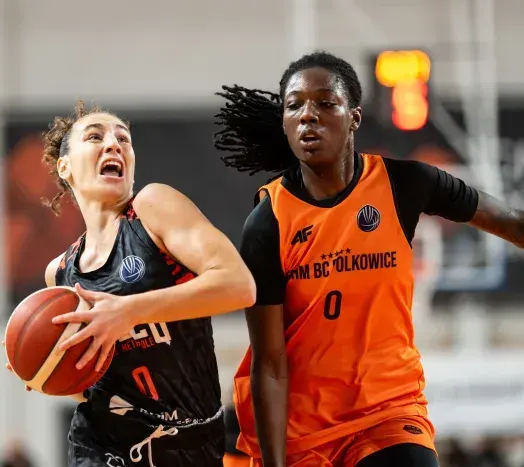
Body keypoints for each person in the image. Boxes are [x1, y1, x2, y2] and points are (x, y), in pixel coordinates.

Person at [213, 51, 524, 467]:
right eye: (294, 106)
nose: (308, 116)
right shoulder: (268, 221)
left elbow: (510, 221)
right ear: (284, 122)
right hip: (306, 430)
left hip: (389, 410)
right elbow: (269, 363)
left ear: (354, 117)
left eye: (326, 103)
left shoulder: (404, 184)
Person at [9, 101, 256, 467]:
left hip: (191, 442)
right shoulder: (59, 274)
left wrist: (129, 312)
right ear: (65, 166)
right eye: (95, 137)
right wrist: (47, 365)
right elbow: (88, 386)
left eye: (123, 139)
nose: (114, 144)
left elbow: (238, 285)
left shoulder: (151, 208)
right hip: (104, 443)